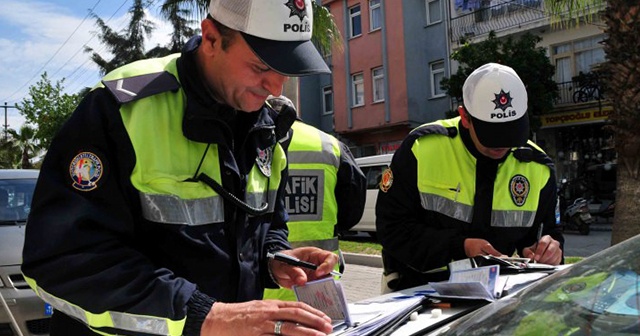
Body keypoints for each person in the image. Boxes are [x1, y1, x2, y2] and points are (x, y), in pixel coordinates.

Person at [21, 1, 341, 335]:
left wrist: (274, 259)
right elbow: (62, 261)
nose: (275, 87)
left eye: (285, 70)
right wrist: (207, 316)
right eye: (261, 66)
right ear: (211, 38)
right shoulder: (122, 108)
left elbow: (265, 226)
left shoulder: (267, 126)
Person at [376, 63, 565, 292]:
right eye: (493, 134)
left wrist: (549, 250)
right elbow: (391, 229)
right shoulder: (421, 148)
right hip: (417, 289)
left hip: (497, 294)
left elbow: (548, 234)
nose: (502, 144)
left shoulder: (538, 166)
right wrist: (460, 246)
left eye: (511, 131)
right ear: (465, 117)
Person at [263, 96, 367, 301]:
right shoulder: (330, 145)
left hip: (261, 288)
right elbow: (352, 211)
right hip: (317, 284)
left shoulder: (250, 142)